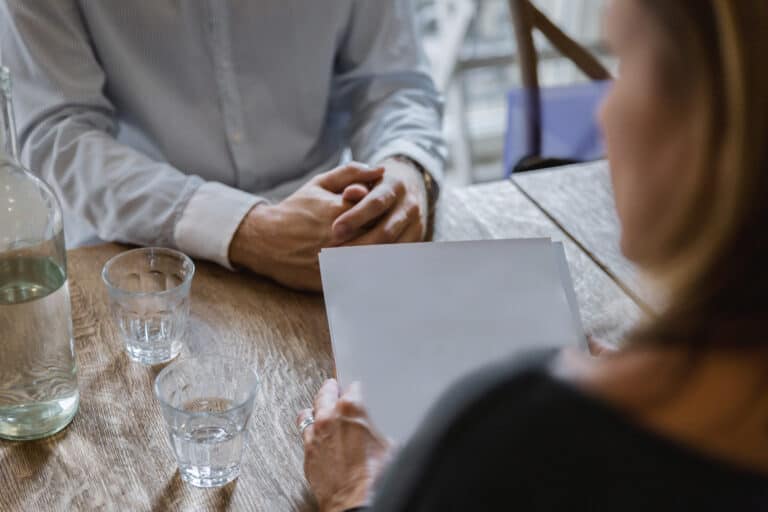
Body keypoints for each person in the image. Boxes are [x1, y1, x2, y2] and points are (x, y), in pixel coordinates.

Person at [297, 1, 768, 510]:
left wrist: (356, 492)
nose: (603, 112)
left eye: (626, 65)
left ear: (717, 126)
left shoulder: (516, 441)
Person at [0, 0, 445, 291]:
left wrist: (405, 168)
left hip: (332, 232)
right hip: (137, 252)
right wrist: (246, 229)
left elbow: (393, 83)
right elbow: (59, 131)